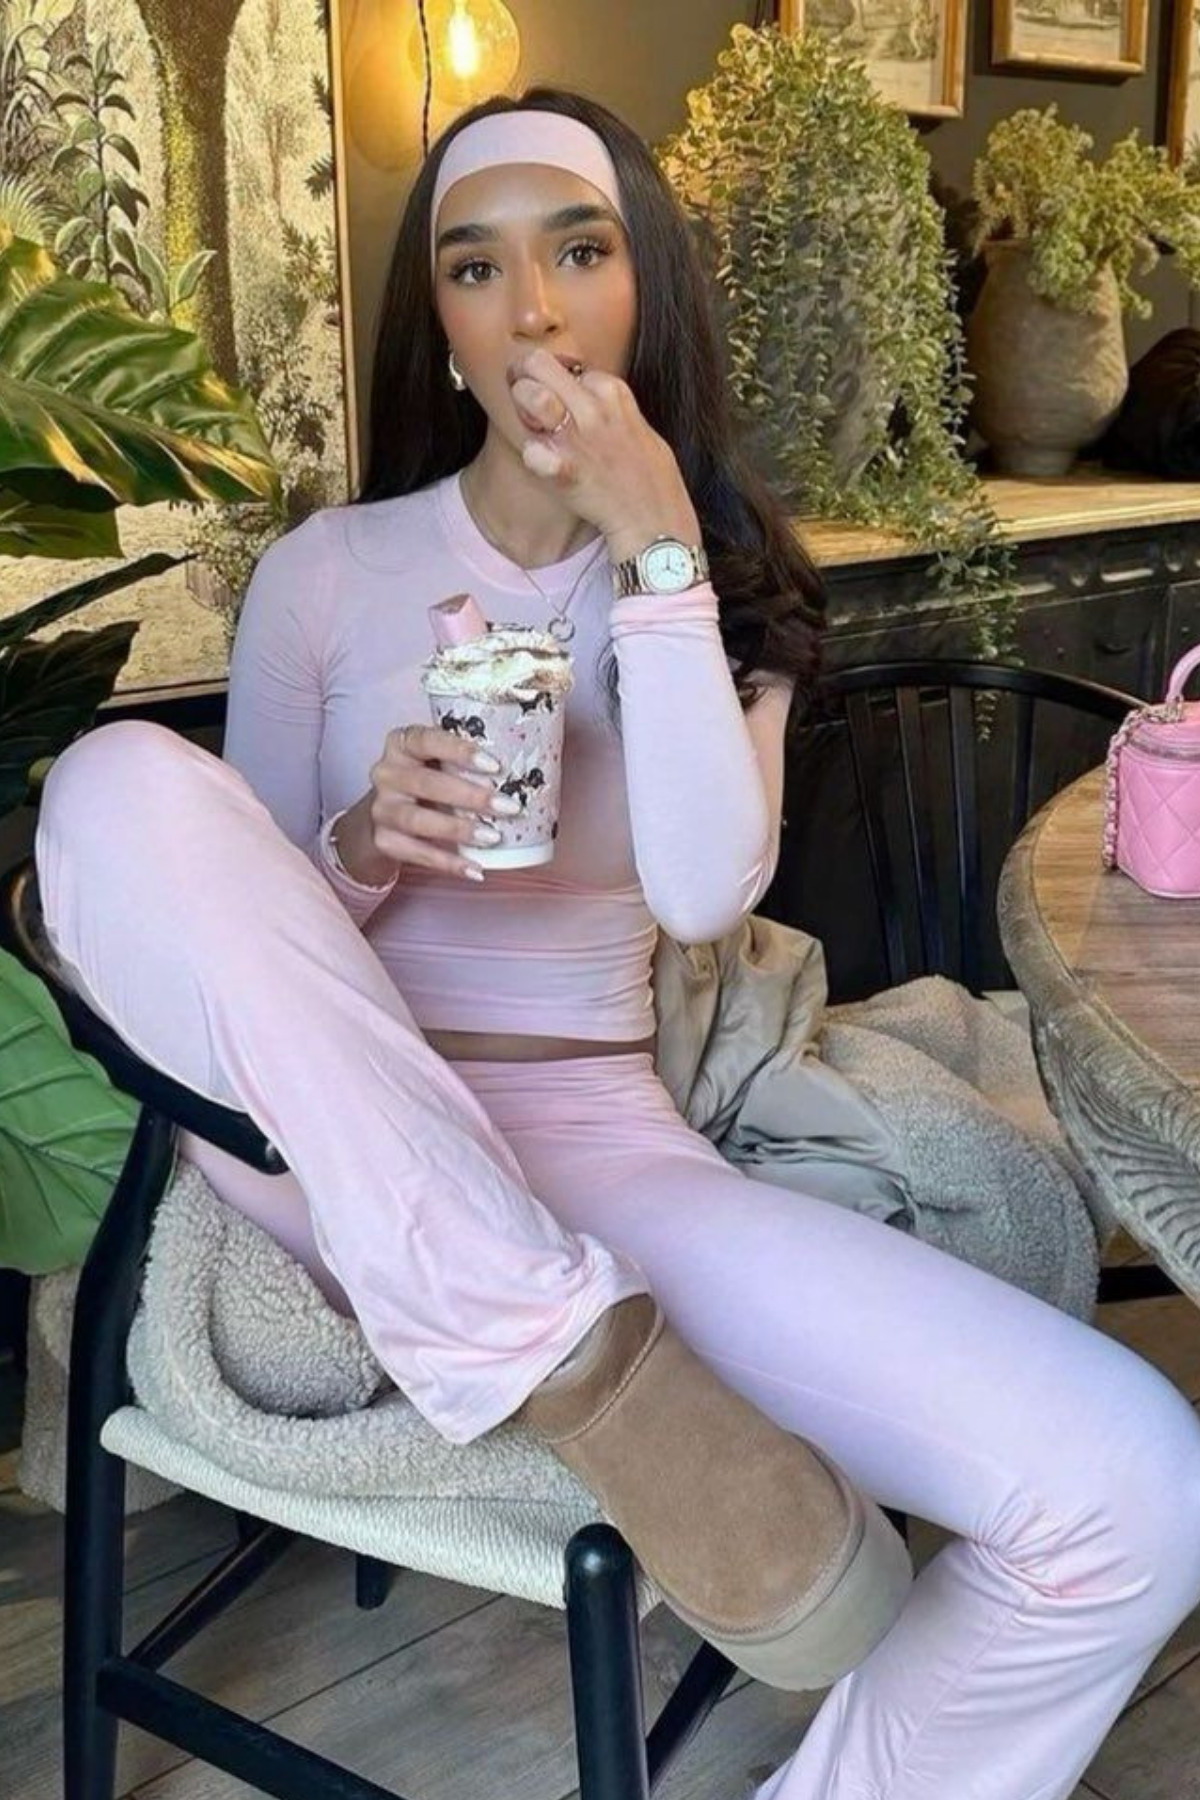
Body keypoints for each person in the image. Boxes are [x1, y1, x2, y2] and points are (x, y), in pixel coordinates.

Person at [34, 86, 1200, 1798]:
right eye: (475, 267)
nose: (532, 309)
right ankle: (539, 1330)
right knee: (115, 779)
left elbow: (705, 893)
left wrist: (655, 547)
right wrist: (360, 843)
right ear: (440, 328)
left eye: (577, 252)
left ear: (644, 289)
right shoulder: (326, 573)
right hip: (316, 1135)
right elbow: (227, 923)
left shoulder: (724, 589)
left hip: (597, 1149)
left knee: (1142, 1484)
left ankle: (528, 1320)